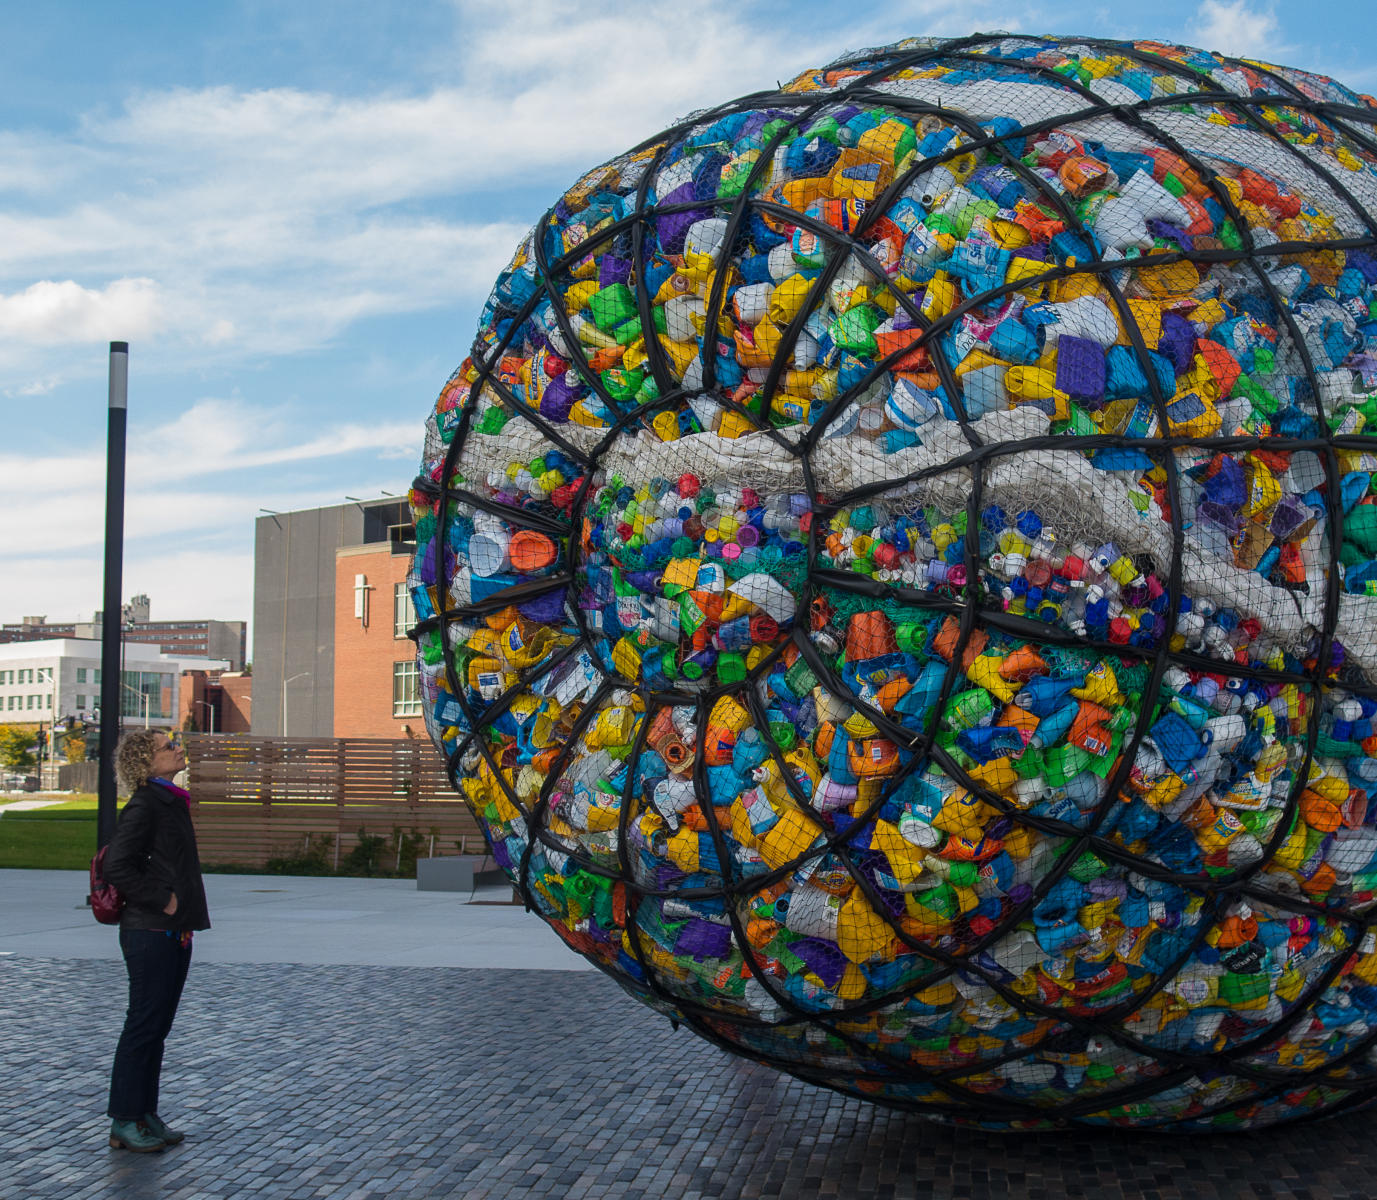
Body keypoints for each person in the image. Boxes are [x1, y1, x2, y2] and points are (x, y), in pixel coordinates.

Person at [103, 729, 210, 1152]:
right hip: (150, 930)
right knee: (143, 1027)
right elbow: (117, 866)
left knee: (156, 1028)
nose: (179, 749)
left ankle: (145, 1113)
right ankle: (125, 1120)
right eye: (170, 747)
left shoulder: (168, 801)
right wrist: (163, 900)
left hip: (173, 930)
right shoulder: (146, 804)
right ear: (146, 762)